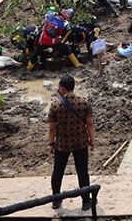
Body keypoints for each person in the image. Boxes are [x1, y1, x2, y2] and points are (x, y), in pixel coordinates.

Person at [48, 76, 95, 210]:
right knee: (82, 172)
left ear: (62, 88)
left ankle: (56, 200)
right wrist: (92, 140)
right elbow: (90, 124)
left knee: (58, 171)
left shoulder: (55, 105)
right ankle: (86, 201)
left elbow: (52, 128)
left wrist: (51, 144)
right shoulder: (84, 103)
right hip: (80, 143)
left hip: (62, 145)